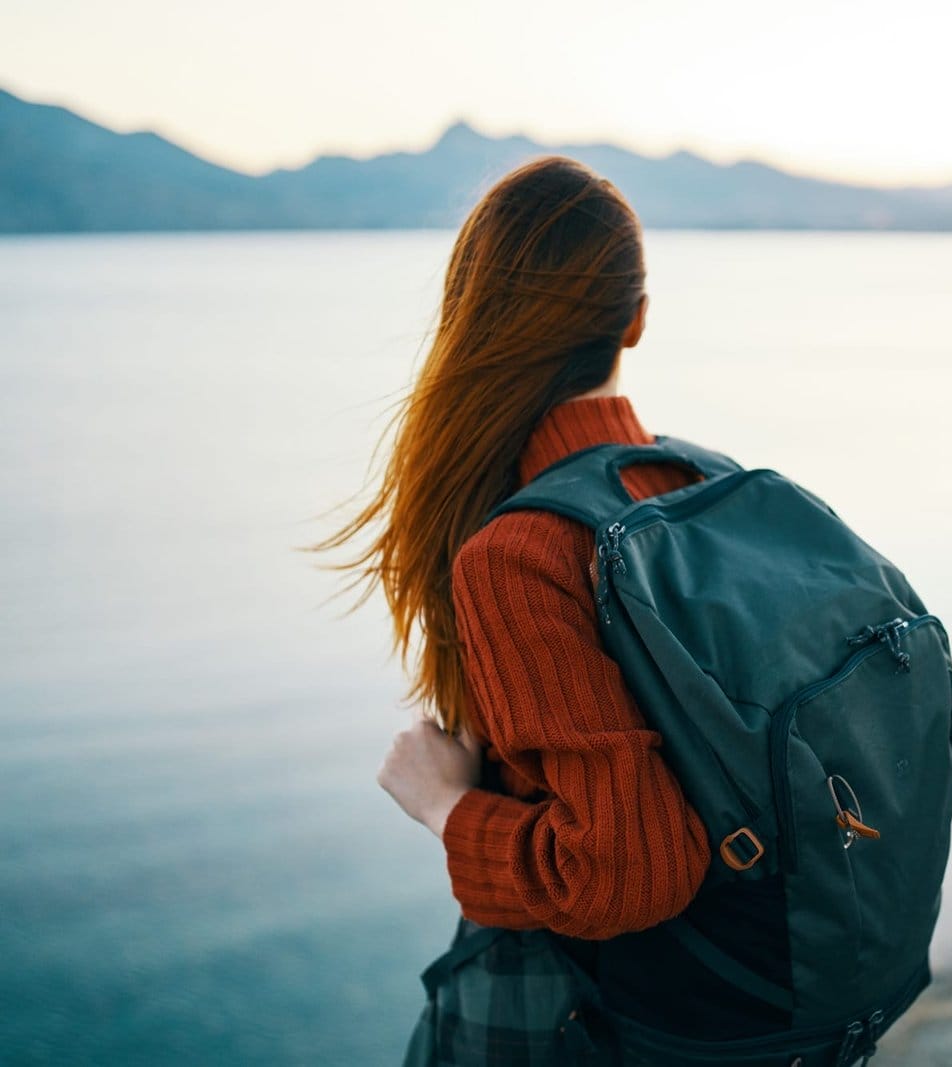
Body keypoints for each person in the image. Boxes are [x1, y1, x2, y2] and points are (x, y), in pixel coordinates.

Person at [315, 156, 787, 1062]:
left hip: (584, 1012)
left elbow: (630, 872)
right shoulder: (707, 483)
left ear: (471, 317)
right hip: (748, 995)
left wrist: (444, 805)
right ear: (638, 320)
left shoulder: (521, 553)